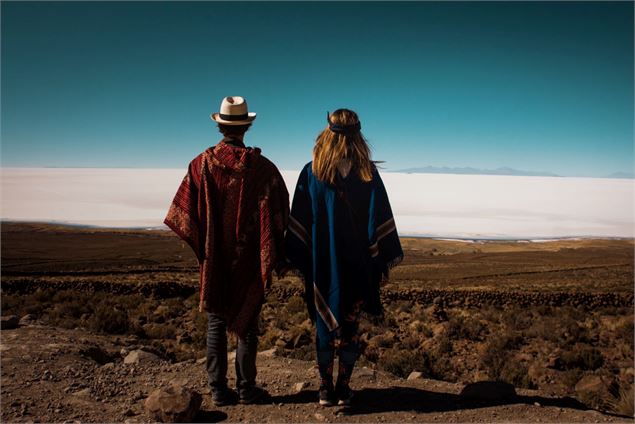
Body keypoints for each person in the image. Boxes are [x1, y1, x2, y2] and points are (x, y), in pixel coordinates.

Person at [164, 96, 289, 406]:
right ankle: (246, 388)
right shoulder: (263, 169)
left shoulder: (200, 164)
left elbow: (185, 212)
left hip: (216, 256)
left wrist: (206, 244)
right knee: (248, 322)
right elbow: (280, 212)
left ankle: (218, 390)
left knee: (217, 321)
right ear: (246, 126)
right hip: (248, 259)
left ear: (220, 126)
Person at [285, 108, 403, 406]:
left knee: (325, 326)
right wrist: (378, 259)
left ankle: (325, 389)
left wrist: (301, 257)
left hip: (323, 264)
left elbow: (299, 220)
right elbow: (380, 220)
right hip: (359, 265)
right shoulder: (368, 174)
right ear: (358, 135)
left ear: (327, 133)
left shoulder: (311, 172)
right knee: (350, 327)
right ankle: (343, 387)